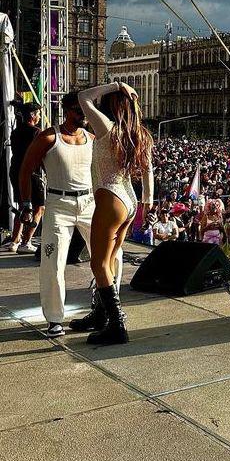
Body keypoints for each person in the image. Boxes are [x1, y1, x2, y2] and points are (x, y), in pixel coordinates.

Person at [78, 81, 153, 344]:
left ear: (111, 104)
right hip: (128, 199)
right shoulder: (138, 133)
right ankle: (101, 316)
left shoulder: (106, 128)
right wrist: (147, 199)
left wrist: (116, 85)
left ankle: (117, 325)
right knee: (108, 261)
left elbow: (83, 97)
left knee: (99, 263)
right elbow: (148, 169)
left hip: (110, 198)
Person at [17, 93, 98, 337]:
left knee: (110, 256)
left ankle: (104, 307)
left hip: (89, 202)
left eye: (84, 109)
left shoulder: (92, 138)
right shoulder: (48, 137)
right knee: (53, 263)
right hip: (58, 204)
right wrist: (26, 205)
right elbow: (25, 170)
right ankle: (54, 318)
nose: (82, 114)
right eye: (77, 110)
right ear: (66, 110)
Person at [8, 103, 45, 253]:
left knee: (23, 206)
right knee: (39, 208)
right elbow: (40, 155)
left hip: (16, 170)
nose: (40, 117)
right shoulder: (36, 132)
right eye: (38, 114)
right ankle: (26, 241)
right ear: (33, 115)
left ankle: (14, 241)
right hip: (31, 173)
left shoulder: (15, 132)